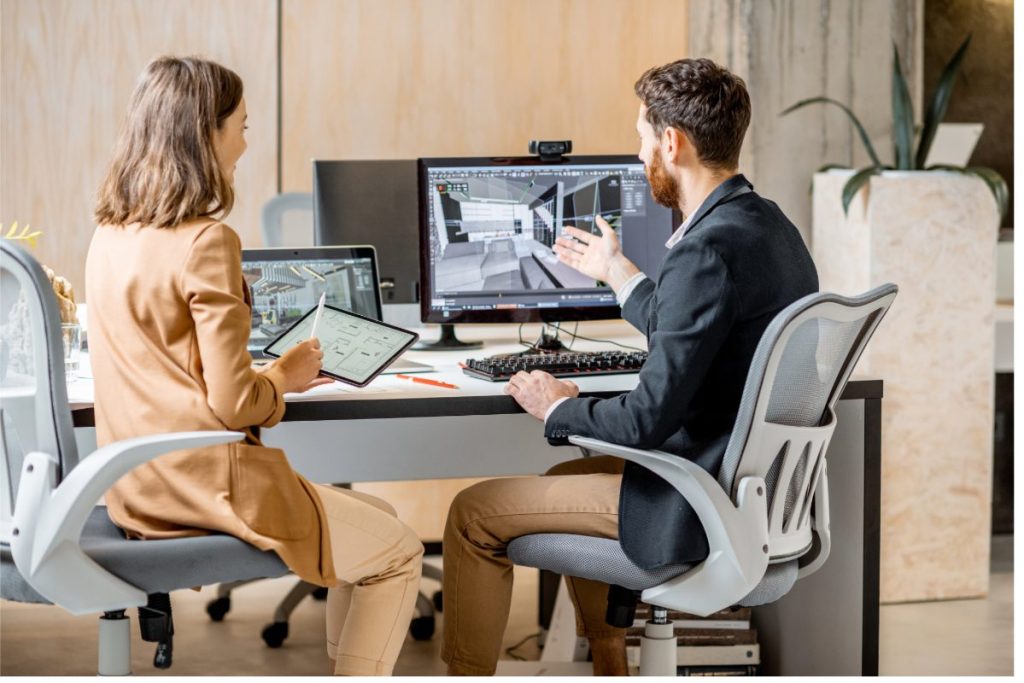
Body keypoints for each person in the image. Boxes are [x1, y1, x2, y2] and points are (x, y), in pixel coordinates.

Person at [441, 58, 819, 676]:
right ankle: (611, 665)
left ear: (672, 143)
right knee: (568, 469)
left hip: (696, 502)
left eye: (642, 137)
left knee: (472, 513)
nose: (639, 152)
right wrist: (619, 273)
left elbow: (645, 419)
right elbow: (699, 330)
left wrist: (559, 404)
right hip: (753, 493)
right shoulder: (765, 226)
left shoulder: (705, 251)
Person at [86, 56, 423, 676]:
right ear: (204, 135)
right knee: (400, 552)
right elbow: (235, 404)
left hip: (138, 488)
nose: (245, 140)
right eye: (240, 125)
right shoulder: (206, 240)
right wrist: (285, 379)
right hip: (206, 487)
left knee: (381, 520)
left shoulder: (110, 233)